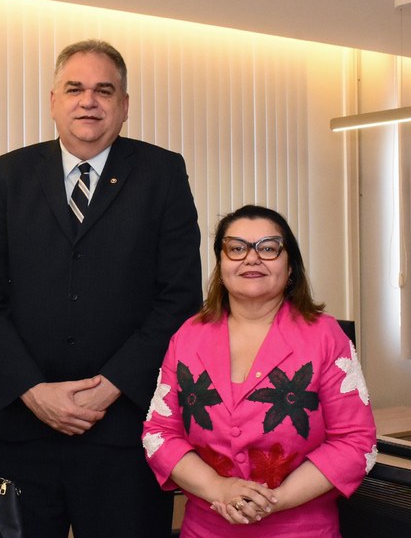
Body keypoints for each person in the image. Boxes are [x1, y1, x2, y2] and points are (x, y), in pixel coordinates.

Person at [0, 39, 203, 538]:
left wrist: (110, 387)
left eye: (104, 90)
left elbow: (179, 298)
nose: (88, 100)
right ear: (53, 100)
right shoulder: (11, 174)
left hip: (123, 434)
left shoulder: (162, 173)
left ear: (124, 106)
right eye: (74, 88)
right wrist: (32, 390)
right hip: (22, 435)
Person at [142, 204, 377, 537]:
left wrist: (274, 501)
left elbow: (355, 442)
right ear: (221, 265)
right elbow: (160, 434)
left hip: (301, 528)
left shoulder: (325, 336)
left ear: (290, 265)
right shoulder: (187, 336)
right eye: (236, 248)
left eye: (268, 248)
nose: (251, 258)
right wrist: (217, 488)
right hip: (206, 529)